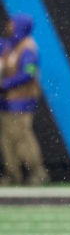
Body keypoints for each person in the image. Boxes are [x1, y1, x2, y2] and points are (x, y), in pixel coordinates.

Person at [0, 14, 49, 186]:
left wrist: (6, 84)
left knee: (23, 138)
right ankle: (13, 175)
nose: (9, 26)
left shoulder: (27, 47)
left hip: (22, 100)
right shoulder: (8, 45)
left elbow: (28, 73)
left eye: (13, 24)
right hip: (6, 101)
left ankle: (37, 173)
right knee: (7, 140)